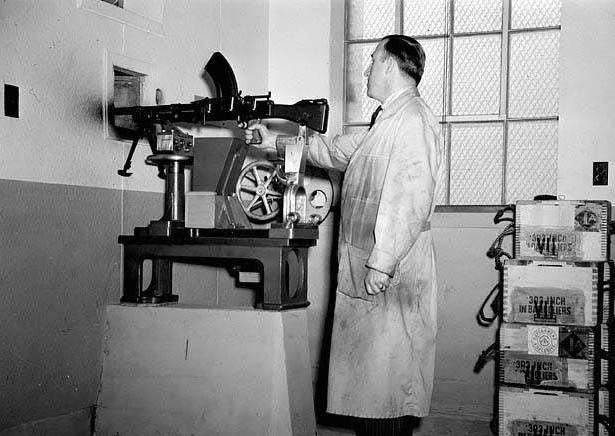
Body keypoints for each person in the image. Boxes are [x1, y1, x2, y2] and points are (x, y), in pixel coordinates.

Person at [245, 34, 442, 436]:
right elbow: (332, 151)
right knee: (372, 395)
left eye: (373, 60)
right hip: (370, 273)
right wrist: (275, 142)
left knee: (385, 397)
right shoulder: (386, 121)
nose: (367, 68)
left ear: (390, 65)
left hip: (387, 275)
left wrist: (384, 262)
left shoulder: (411, 120)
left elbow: (411, 194)